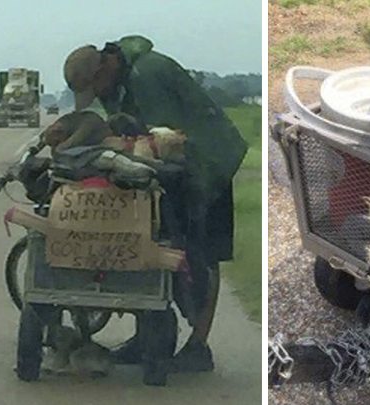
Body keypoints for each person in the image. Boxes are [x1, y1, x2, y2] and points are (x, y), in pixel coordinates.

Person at [63, 35, 247, 371]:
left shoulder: (148, 74)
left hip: (210, 162)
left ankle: (198, 347)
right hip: (181, 165)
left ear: (106, 66)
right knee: (150, 238)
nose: (98, 96)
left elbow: (161, 139)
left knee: (202, 251)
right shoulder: (118, 83)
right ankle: (145, 338)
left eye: (95, 87)